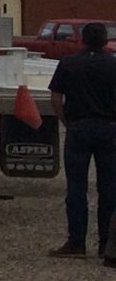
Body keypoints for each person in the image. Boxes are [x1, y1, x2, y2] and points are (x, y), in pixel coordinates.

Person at [46, 20, 116, 257]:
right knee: (109, 188)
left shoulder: (68, 63)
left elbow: (55, 98)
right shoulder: (113, 65)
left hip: (78, 127)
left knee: (76, 188)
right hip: (109, 128)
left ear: (82, 40)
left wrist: (67, 121)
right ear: (105, 41)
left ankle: (76, 242)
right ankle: (107, 243)